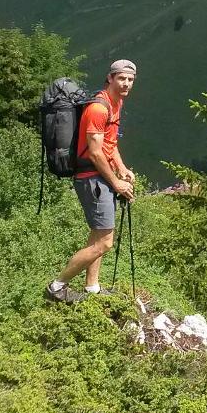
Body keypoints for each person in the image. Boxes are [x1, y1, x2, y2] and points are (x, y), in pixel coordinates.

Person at [45, 60, 137, 303]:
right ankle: (56, 286)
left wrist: (122, 168)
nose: (126, 83)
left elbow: (110, 144)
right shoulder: (99, 108)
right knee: (105, 242)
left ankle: (92, 288)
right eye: (121, 78)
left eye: (130, 79)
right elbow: (95, 153)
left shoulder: (116, 102)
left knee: (98, 235)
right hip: (91, 179)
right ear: (110, 78)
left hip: (98, 176)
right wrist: (116, 183)